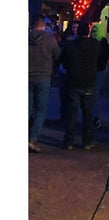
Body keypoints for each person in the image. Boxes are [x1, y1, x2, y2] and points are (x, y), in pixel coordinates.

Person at [59, 20, 100, 150]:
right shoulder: (96, 45)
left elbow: (62, 60)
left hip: (73, 82)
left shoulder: (70, 45)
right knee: (87, 113)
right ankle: (87, 141)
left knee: (71, 113)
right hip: (89, 81)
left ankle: (68, 141)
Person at [29, 14, 61, 153]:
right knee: (41, 109)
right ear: (43, 25)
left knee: (28, 108)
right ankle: (33, 138)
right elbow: (58, 56)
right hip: (43, 77)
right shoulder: (50, 40)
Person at [90, 23, 109, 128]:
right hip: (91, 71)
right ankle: (92, 116)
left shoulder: (102, 42)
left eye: (95, 31)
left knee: (94, 94)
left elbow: (104, 57)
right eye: (92, 31)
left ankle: (94, 116)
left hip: (98, 71)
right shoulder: (91, 41)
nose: (93, 33)